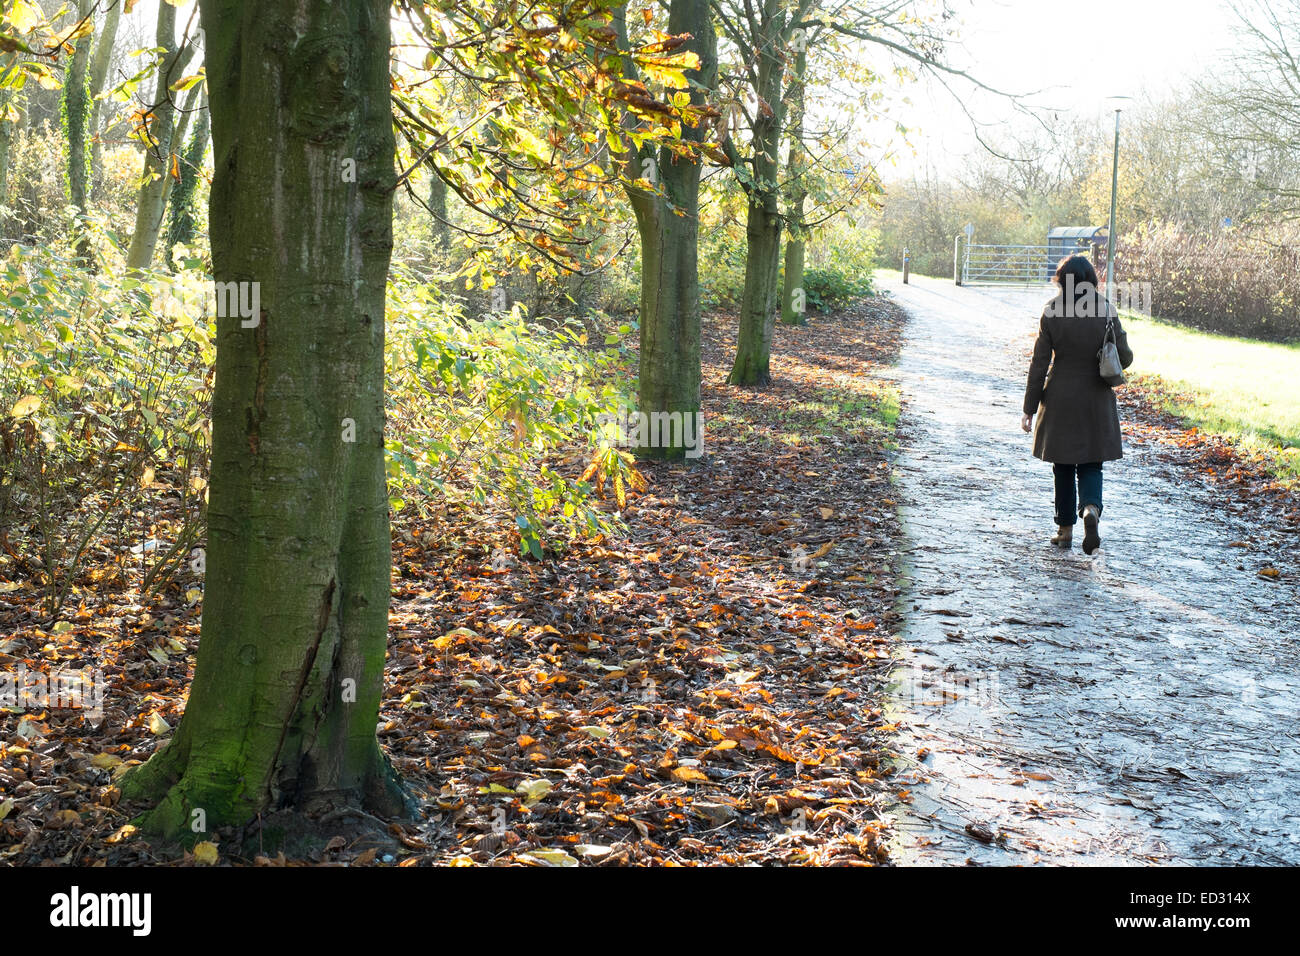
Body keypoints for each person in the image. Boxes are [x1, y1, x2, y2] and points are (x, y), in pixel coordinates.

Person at [1021, 255, 1134, 554]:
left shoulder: (1052, 312)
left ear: (1062, 280)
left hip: (1060, 399)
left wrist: (1029, 409)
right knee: (1091, 463)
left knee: (1062, 466)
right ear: (1092, 280)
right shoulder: (1106, 310)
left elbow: (1039, 364)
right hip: (1096, 399)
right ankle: (1091, 510)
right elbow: (1125, 357)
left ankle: (1065, 530)